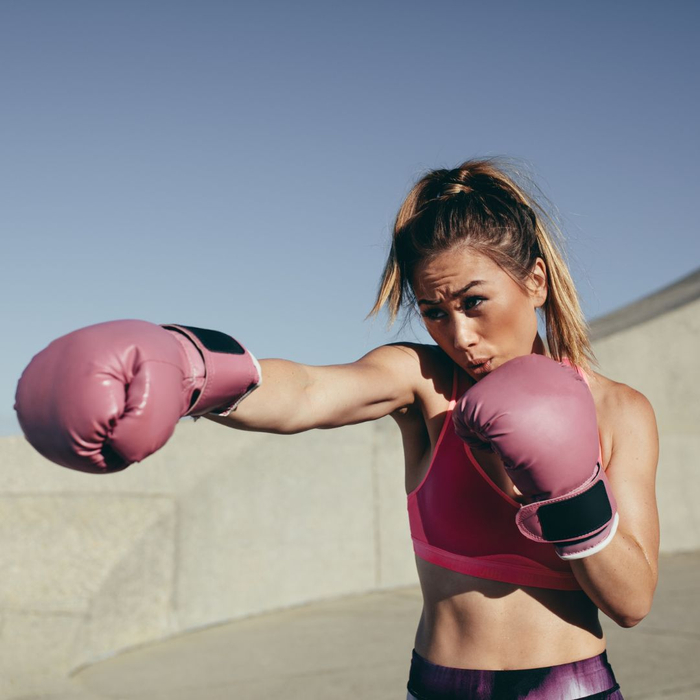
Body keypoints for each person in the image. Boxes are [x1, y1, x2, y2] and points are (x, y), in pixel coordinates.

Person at [15, 159, 659, 699]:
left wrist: (570, 490)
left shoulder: (620, 411)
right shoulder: (426, 382)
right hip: (437, 685)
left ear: (535, 281)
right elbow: (311, 393)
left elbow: (631, 602)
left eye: (474, 302)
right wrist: (190, 366)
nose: (459, 336)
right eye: (434, 312)